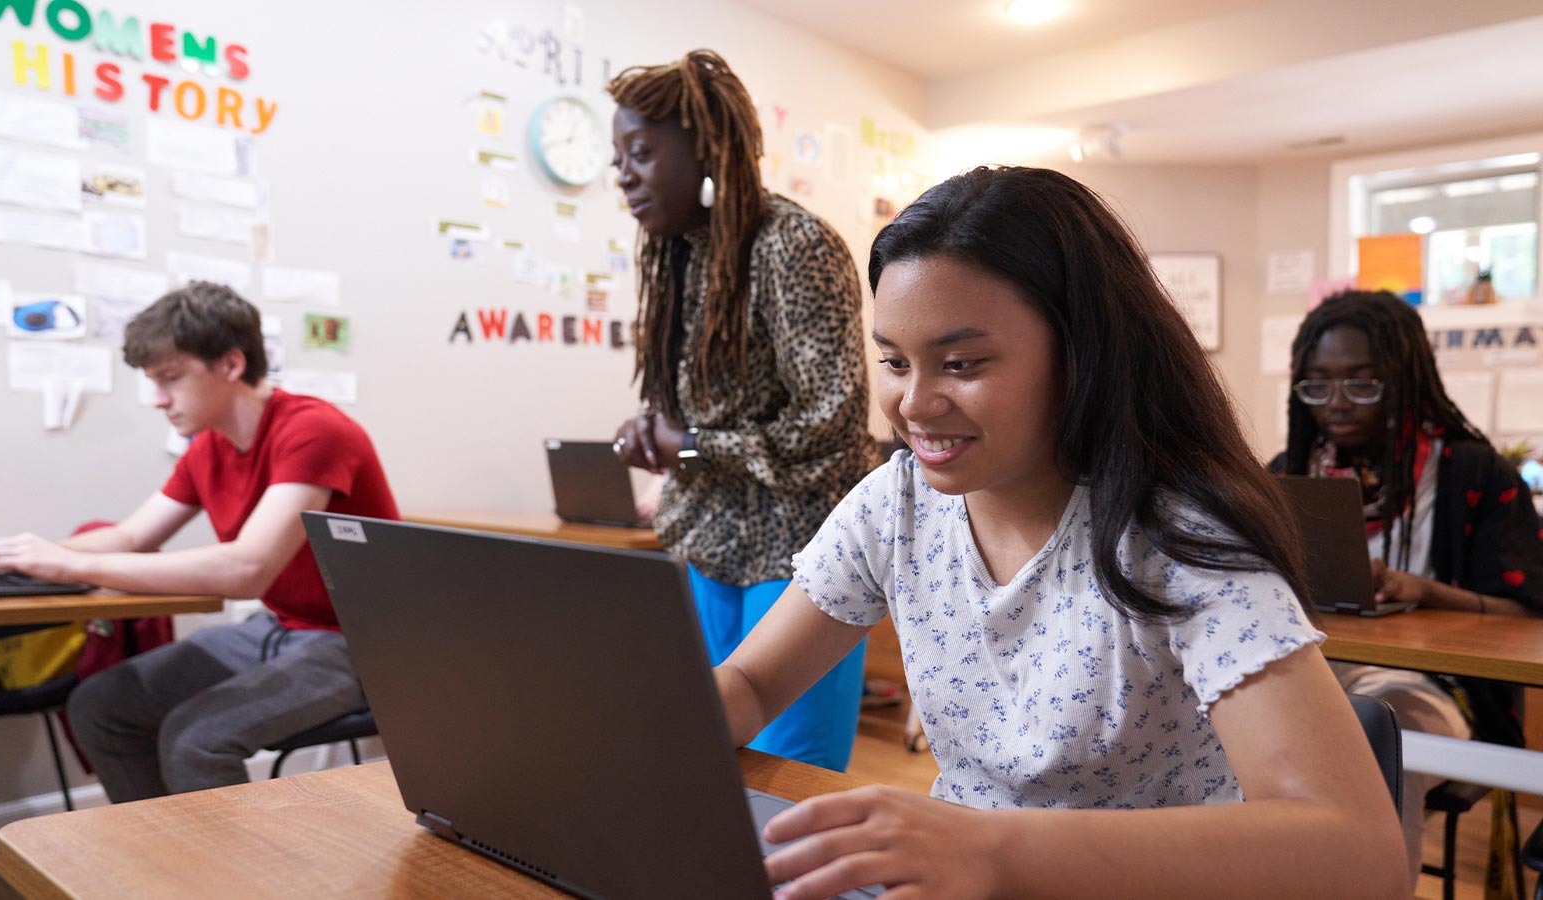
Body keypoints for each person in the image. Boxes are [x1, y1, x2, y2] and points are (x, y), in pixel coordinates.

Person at [715, 167, 1407, 899]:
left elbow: (1361, 855)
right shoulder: (896, 506)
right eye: (893, 361)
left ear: (1082, 355)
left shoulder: (1177, 537)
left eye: (962, 364)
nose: (914, 403)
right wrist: (640, 725)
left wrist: (991, 847)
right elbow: (753, 683)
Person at [0, 281, 400, 802]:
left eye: (170, 379)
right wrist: (28, 554)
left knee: (196, 741)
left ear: (231, 364)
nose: (157, 400)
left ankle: (222, 882)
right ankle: (164, 863)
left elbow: (247, 569)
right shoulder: (207, 447)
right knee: (99, 706)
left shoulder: (315, 430)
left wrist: (70, 567)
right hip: (282, 626)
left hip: (367, 644)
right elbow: (130, 536)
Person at [605, 50, 877, 771]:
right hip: (705, 545)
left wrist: (689, 445)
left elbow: (837, 426)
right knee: (700, 767)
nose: (623, 174)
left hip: (798, 558)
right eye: (617, 158)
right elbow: (697, 411)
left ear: (706, 149)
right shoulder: (675, 257)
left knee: (789, 785)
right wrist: (655, 432)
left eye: (640, 152)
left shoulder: (795, 245)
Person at [1275, 288, 1543, 877]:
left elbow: (1528, 611)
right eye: (1316, 385)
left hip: (1445, 689)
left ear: (1403, 380)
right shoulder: (1290, 471)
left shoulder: (1472, 473)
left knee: (1377, 729)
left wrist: (1424, 590)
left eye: (1362, 383)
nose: (1336, 404)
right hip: (1318, 668)